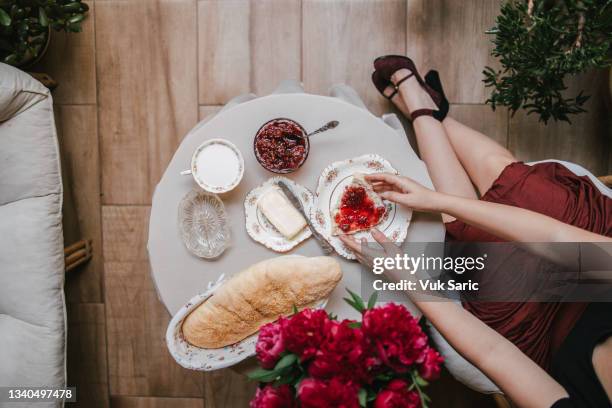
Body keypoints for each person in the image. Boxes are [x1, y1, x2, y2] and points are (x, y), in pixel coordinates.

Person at [340, 55, 612, 407]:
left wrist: (408, 278)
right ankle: (429, 111)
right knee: (530, 195)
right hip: (590, 254)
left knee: (479, 253)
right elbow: (560, 239)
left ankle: (429, 111)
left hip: (538, 335)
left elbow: (494, 353)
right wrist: (437, 201)